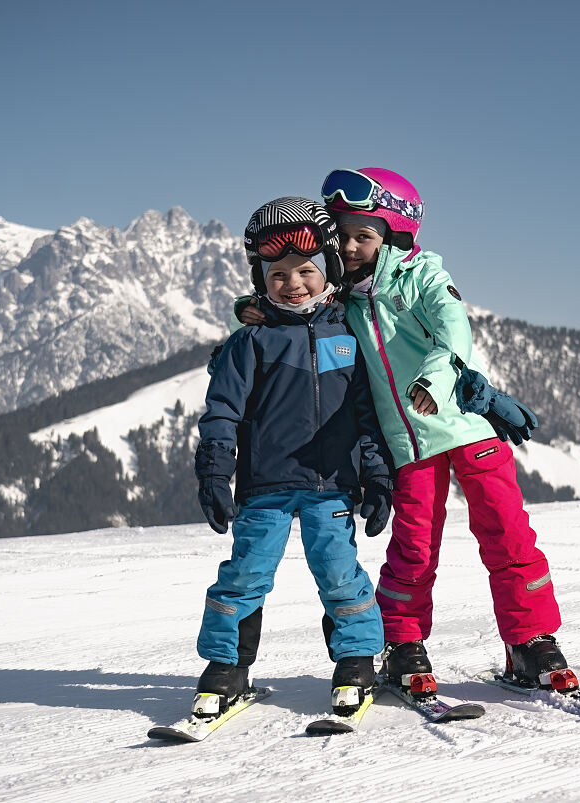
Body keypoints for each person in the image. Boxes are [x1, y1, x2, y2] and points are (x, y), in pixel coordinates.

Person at [239, 168, 576, 697]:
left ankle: (530, 639)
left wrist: (439, 380)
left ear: (394, 233)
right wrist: (253, 309)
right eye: (341, 234)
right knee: (415, 548)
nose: (349, 246)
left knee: (507, 532)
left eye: (363, 235)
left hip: (466, 429)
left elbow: (454, 330)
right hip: (408, 444)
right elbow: (299, 315)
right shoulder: (342, 298)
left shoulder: (422, 277)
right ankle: (403, 642)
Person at [192, 196, 392, 719]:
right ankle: (226, 668)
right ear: (260, 279)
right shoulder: (251, 341)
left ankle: (356, 660)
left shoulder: (348, 334)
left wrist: (377, 474)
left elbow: (366, 415)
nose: (292, 283)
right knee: (244, 573)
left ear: (327, 269)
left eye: (305, 270)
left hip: (332, 484)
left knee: (339, 573)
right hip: (267, 485)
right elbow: (221, 410)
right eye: (276, 274)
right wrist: (214, 468)